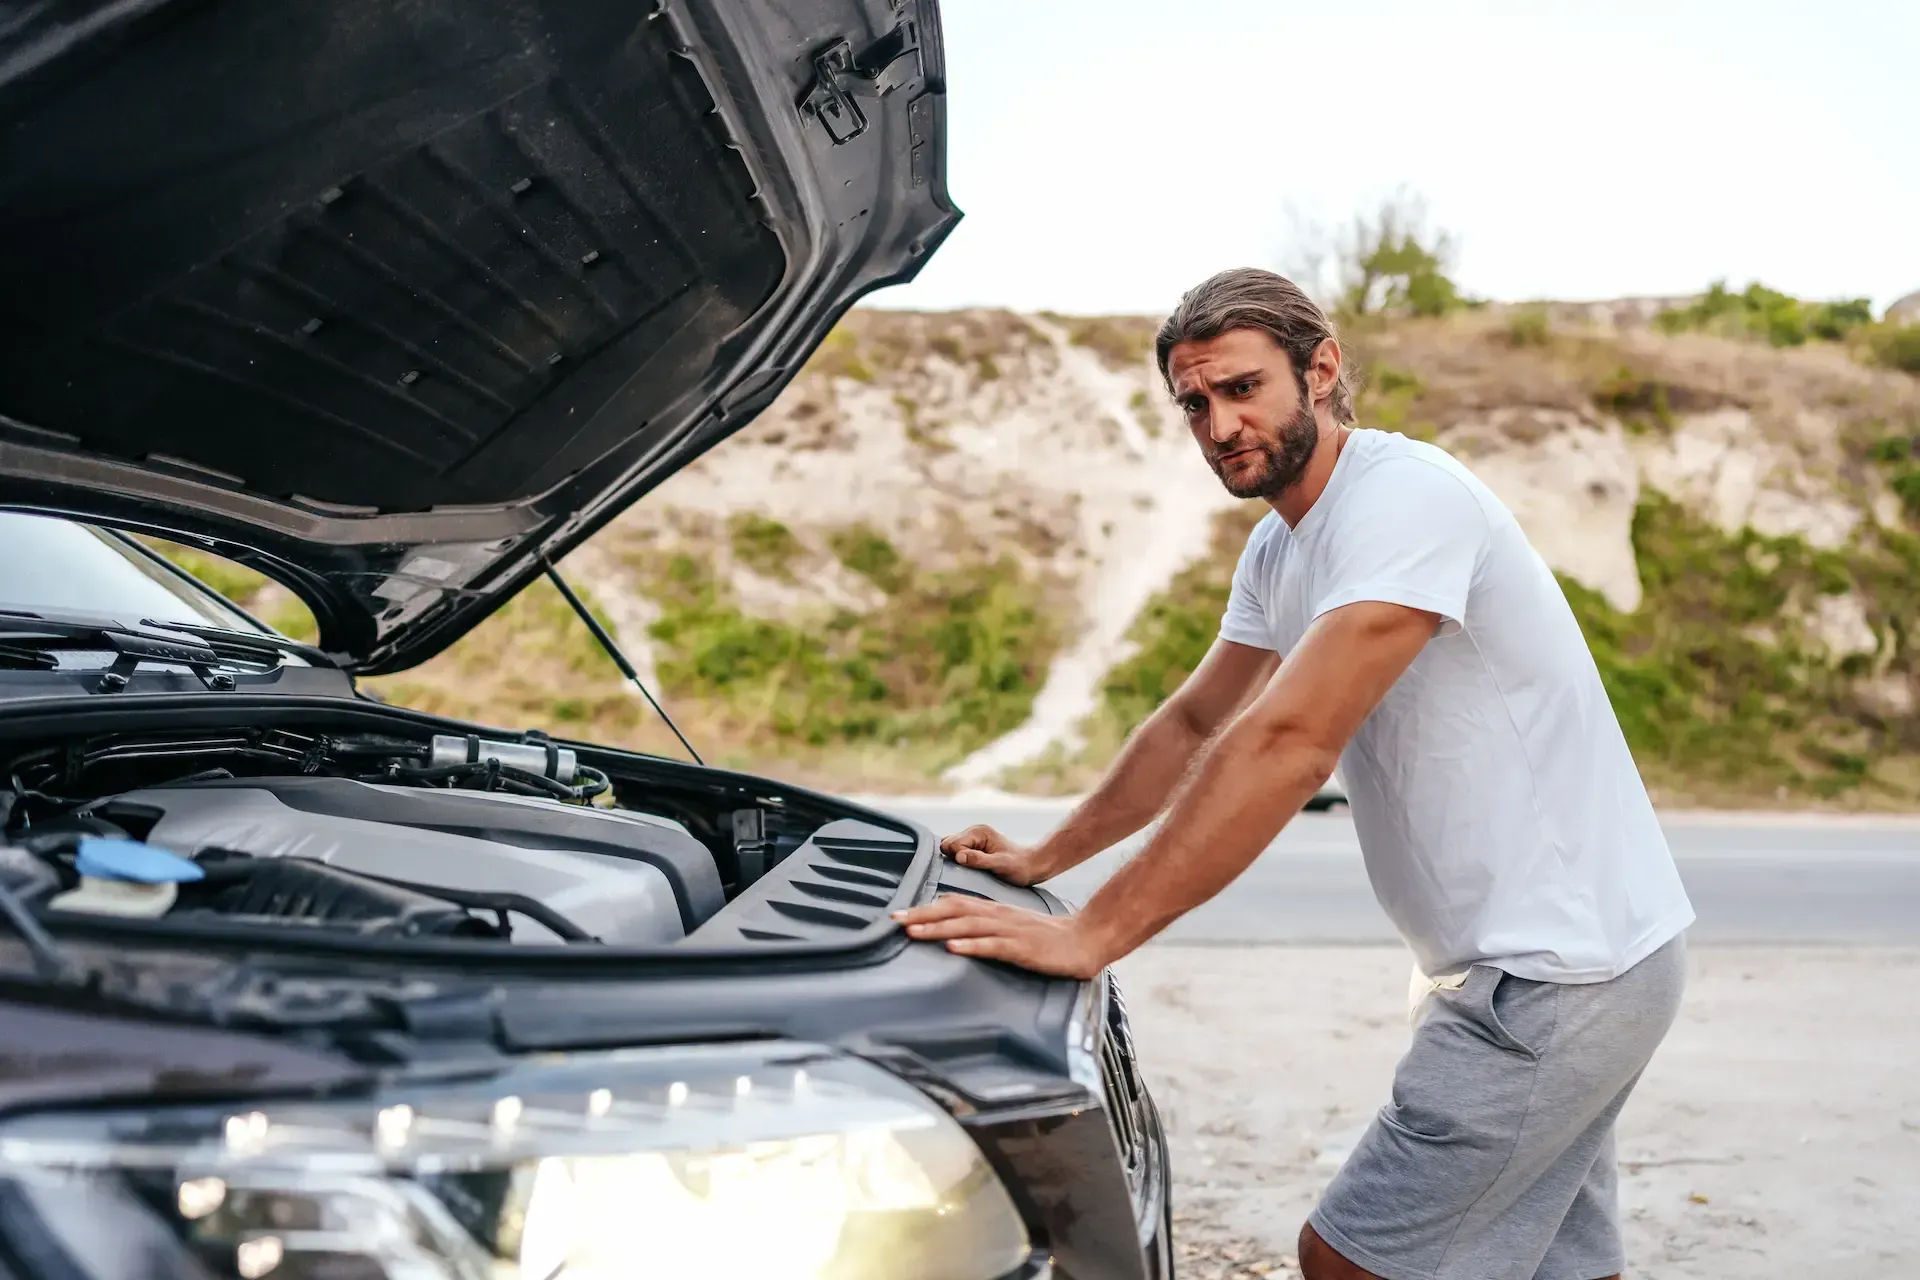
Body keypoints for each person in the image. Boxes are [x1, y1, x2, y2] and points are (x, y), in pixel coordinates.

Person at [893, 267, 1695, 1280]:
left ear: (1322, 370)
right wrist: (1051, 852)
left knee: (1346, 1257)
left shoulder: (1405, 499)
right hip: (1538, 961)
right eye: (1194, 402)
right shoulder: (1282, 548)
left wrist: (1095, 931)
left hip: (1557, 974)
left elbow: (1289, 739)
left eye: (1241, 388)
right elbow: (1192, 722)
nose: (1218, 423)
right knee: (1554, 1268)